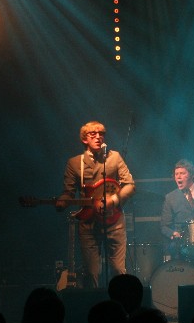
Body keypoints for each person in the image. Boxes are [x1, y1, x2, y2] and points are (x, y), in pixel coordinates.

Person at [55, 120, 136, 288]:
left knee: (118, 269)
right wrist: (62, 202)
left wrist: (113, 200)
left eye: (101, 134)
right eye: (93, 134)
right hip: (89, 224)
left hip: (114, 222)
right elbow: (68, 192)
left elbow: (130, 185)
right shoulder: (74, 163)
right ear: (84, 139)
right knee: (92, 272)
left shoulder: (114, 157)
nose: (98, 137)